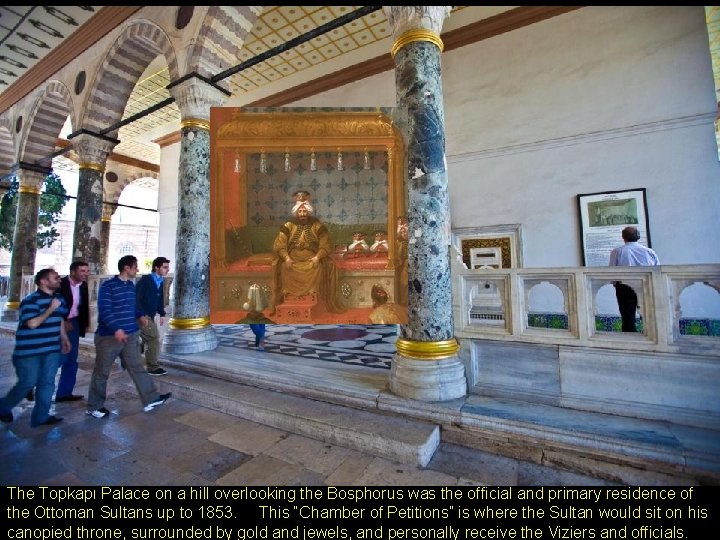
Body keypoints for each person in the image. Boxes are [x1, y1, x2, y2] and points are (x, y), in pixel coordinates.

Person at [86, 255, 171, 418]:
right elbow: (105, 310)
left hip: (130, 335)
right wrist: (116, 329)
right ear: (126, 268)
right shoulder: (108, 286)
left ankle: (151, 399)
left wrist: (140, 316)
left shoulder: (130, 286)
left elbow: (133, 305)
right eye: (135, 267)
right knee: (101, 372)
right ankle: (94, 406)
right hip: (109, 337)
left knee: (138, 367)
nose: (137, 270)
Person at [0, 269, 71, 427]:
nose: (59, 279)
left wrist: (64, 337)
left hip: (51, 349)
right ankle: (3, 407)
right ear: (43, 282)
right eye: (55, 278)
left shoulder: (59, 298)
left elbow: (59, 318)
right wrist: (51, 308)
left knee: (47, 382)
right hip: (29, 352)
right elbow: (32, 323)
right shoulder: (30, 300)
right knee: (27, 383)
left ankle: (41, 416)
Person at [271, 203, 344, 313]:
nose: (302, 214)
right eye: (300, 212)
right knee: (284, 267)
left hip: (311, 260)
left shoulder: (317, 226)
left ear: (308, 212)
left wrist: (317, 257)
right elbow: (279, 245)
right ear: (296, 213)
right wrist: (286, 258)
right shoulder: (288, 226)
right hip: (293, 260)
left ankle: (312, 294)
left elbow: (325, 245)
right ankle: (288, 297)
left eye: (304, 211)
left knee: (317, 267)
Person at [609, 226, 659, 332]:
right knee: (648, 314)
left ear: (623, 237)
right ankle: (651, 337)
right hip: (646, 285)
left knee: (627, 317)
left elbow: (611, 272)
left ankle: (630, 340)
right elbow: (657, 270)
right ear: (638, 237)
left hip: (624, 286)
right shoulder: (649, 252)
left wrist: (615, 285)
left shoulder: (617, 252)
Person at [55, 260, 90, 402]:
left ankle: (64, 393)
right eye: (82, 271)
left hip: (74, 324)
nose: (86, 274)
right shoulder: (60, 284)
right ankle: (30, 386)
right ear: (72, 272)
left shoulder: (84, 285)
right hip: (58, 324)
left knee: (72, 359)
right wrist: (64, 320)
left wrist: (85, 323)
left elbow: (84, 306)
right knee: (55, 358)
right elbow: (53, 306)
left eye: (87, 271)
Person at [136, 256, 170, 376]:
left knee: (147, 338)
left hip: (149, 315)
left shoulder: (160, 281)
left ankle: (130, 355)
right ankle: (152, 367)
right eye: (165, 267)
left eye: (167, 267)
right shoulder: (146, 280)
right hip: (142, 315)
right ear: (157, 267)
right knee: (153, 338)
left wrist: (161, 313)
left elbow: (160, 299)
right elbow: (137, 298)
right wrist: (141, 315)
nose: (167, 270)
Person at [235, 284, 275, 350]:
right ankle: (260, 342)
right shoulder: (241, 322)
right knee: (258, 330)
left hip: (259, 319)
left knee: (260, 329)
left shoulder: (267, 321)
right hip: (253, 319)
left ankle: (260, 342)